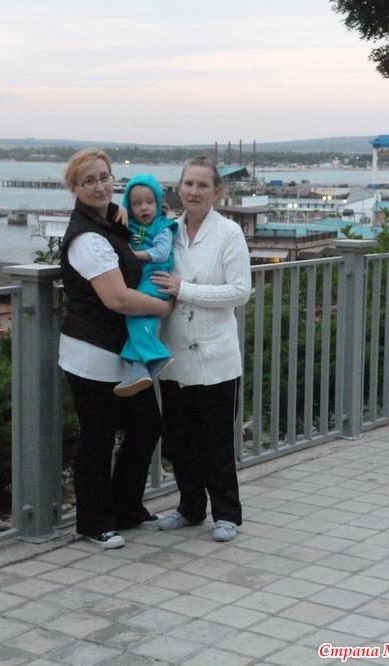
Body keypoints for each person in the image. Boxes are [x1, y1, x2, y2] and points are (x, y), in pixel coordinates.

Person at [58, 148, 173, 549]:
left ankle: (126, 508)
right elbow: (117, 298)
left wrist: (118, 213)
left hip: (121, 353)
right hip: (90, 352)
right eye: (88, 181)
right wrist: (162, 307)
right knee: (98, 436)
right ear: (74, 188)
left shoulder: (108, 220)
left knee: (146, 426)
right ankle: (93, 521)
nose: (99, 186)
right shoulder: (87, 239)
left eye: (104, 177)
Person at [151, 155, 251, 543]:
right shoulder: (168, 232)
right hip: (175, 353)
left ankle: (226, 513)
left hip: (216, 357)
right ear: (179, 188)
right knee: (180, 441)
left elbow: (239, 292)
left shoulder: (229, 233)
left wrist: (185, 289)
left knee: (217, 441)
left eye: (203, 185)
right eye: (188, 184)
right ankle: (189, 508)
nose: (194, 192)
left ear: (217, 191)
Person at [114, 174, 178, 398]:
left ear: (158, 203)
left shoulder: (163, 226)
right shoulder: (131, 226)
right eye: (136, 204)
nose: (144, 208)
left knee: (135, 314)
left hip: (157, 277)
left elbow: (161, 253)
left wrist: (131, 255)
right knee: (143, 320)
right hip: (143, 278)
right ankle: (139, 367)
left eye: (150, 202)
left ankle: (157, 356)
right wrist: (119, 210)